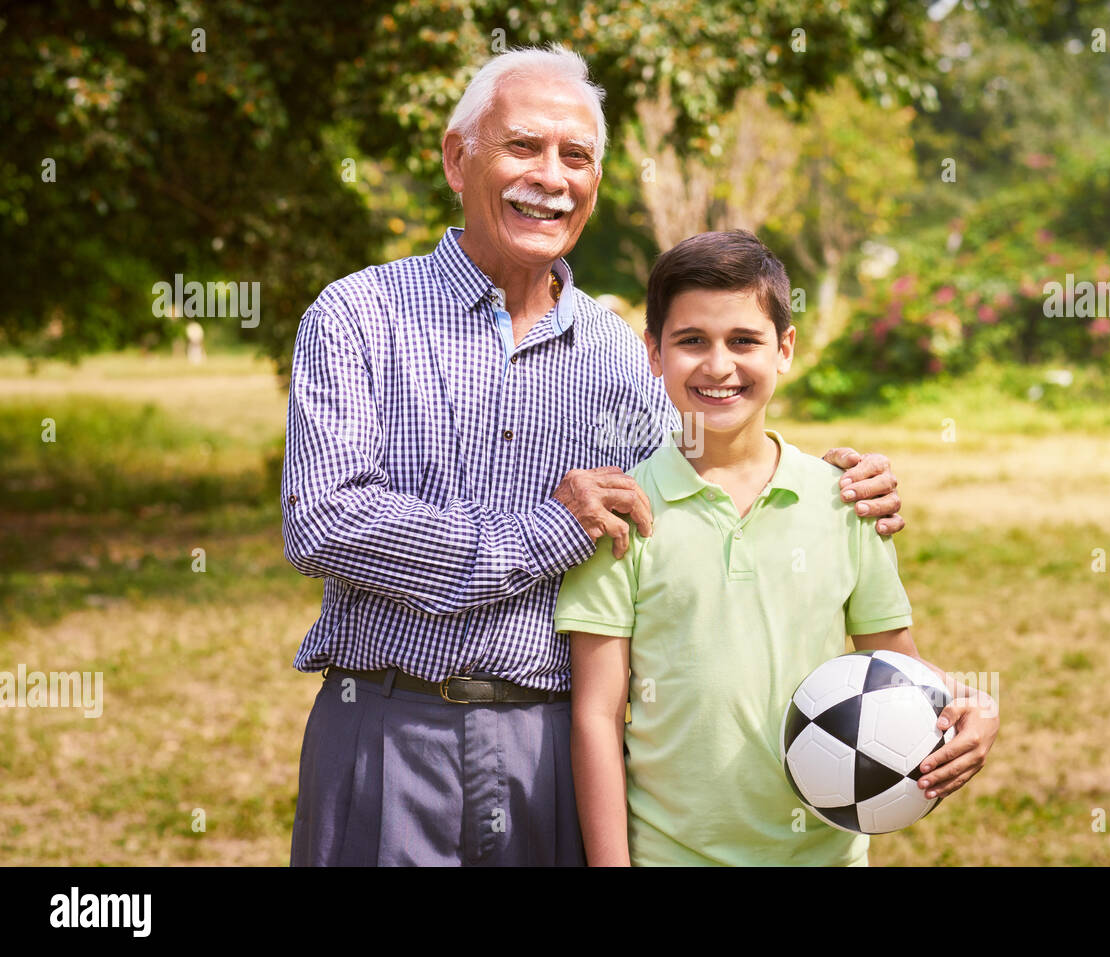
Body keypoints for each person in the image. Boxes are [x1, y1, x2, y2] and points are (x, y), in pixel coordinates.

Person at [283, 45, 907, 867]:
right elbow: (324, 522)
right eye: (524, 146)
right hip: (389, 728)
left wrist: (837, 482)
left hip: (555, 746)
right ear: (455, 156)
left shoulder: (623, 355)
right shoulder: (359, 315)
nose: (551, 176)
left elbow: (706, 469)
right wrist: (546, 530)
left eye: (576, 157)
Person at [556, 230, 999, 866]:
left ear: (785, 348)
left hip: (825, 856)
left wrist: (974, 707)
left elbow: (900, 669)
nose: (718, 365)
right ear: (652, 352)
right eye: (691, 341)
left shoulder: (843, 503)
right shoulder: (623, 513)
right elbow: (597, 715)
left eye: (744, 341)